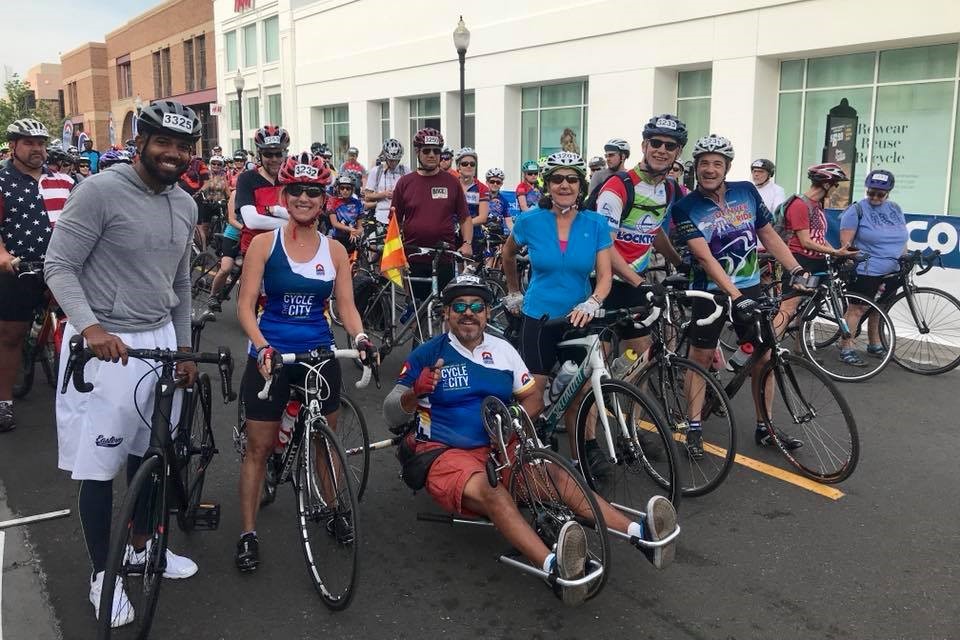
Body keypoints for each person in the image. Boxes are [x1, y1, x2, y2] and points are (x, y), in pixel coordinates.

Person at [382, 275, 678, 606]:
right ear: (446, 313)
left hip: (499, 446)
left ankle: (642, 534)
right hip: (445, 453)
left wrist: (510, 424)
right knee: (493, 493)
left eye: (476, 306)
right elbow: (391, 413)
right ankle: (557, 568)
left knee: (558, 478)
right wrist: (414, 394)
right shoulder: (427, 354)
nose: (469, 313)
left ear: (486, 312)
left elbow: (532, 400)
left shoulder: (503, 350)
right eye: (460, 306)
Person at [44, 100, 203, 626]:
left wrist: (182, 348)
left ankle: (140, 548)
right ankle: (101, 575)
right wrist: (90, 328)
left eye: (183, 147)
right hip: (106, 343)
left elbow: (180, 283)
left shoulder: (185, 203)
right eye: (163, 143)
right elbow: (59, 265)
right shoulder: (98, 191)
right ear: (140, 143)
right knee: (99, 469)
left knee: (152, 455)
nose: (173, 155)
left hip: (158, 340)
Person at [234, 152, 374, 572]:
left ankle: (332, 509)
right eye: (296, 190)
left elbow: (345, 306)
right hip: (272, 352)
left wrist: (362, 336)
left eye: (313, 192)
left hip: (318, 351)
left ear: (323, 199)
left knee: (324, 445)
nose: (304, 198)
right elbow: (244, 308)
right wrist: (262, 347)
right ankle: (247, 532)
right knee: (259, 447)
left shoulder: (333, 250)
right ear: (285, 193)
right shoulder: (264, 244)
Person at [670, 134, 809, 456]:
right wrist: (733, 295)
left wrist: (796, 269)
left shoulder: (746, 192)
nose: (709, 169)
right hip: (709, 290)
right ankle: (693, 427)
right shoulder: (685, 207)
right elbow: (703, 256)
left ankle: (766, 426)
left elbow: (768, 234)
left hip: (749, 285)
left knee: (765, 357)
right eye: (704, 163)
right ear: (696, 167)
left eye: (717, 163)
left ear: (727, 167)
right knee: (700, 357)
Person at [501, 152, 612, 457]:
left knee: (580, 390)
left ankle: (583, 454)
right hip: (539, 314)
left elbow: (605, 276)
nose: (565, 185)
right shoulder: (530, 220)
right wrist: (513, 291)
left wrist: (593, 301)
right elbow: (507, 255)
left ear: (582, 184)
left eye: (572, 179)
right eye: (557, 179)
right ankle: (528, 446)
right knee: (534, 392)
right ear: (547, 184)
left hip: (579, 317)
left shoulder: (596, 222)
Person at [593, 115, 688, 359]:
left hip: (634, 283)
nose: (661, 150)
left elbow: (652, 230)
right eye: (655, 143)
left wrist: (680, 263)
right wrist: (638, 282)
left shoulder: (667, 188)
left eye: (670, 146)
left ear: (678, 152)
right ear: (644, 146)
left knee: (640, 358)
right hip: (601, 282)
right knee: (595, 363)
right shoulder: (618, 186)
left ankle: (624, 395)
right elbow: (603, 246)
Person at [0, 119, 74, 432]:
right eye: (29, 143)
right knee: (10, 336)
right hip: (17, 267)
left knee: (80, 332)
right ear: (13, 146)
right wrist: (4, 257)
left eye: (41, 143)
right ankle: (4, 403)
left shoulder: (64, 181)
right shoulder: (2, 180)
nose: (37, 149)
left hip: (61, 267)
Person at [770, 163, 858, 359]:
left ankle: (801, 350)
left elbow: (818, 237)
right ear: (826, 184)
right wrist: (835, 252)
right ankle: (767, 352)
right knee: (789, 307)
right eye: (835, 184)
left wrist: (835, 251)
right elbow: (805, 241)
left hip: (816, 261)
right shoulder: (800, 205)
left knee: (808, 309)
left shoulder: (816, 206)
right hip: (800, 261)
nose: (835, 189)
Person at [390, 128, 471, 301]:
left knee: (444, 310)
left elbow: (465, 217)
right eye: (426, 150)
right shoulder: (405, 183)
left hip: (444, 257)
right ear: (418, 152)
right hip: (413, 257)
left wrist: (467, 243)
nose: (432, 155)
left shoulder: (452, 182)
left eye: (436, 151)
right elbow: (394, 222)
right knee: (416, 313)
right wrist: (394, 252)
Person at [838, 169, 908, 366]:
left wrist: (905, 257)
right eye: (871, 192)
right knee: (857, 309)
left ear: (888, 194)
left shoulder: (895, 208)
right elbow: (846, 244)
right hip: (866, 269)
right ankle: (846, 347)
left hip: (891, 268)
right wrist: (850, 263)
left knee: (880, 308)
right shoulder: (857, 210)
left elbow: (902, 236)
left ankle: (874, 343)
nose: (875, 197)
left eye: (880, 194)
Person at [237, 125, 290, 255]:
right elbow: (252, 221)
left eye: (279, 154)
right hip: (256, 248)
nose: (274, 159)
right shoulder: (246, 178)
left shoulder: (290, 179)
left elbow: (302, 214)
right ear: (260, 155)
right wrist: (291, 224)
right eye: (268, 154)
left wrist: (274, 211)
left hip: (287, 246)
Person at [363, 138, 408, 225]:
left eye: (396, 160)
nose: (394, 163)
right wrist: (383, 194)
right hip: (381, 217)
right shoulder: (376, 171)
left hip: (401, 217)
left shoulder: (405, 171)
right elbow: (367, 196)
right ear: (385, 157)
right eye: (391, 160)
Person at [456, 147, 490, 257]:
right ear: (458, 167)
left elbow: (483, 217)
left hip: (475, 235)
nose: (469, 166)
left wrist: (461, 226)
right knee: (457, 270)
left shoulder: (481, 188)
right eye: (465, 164)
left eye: (472, 164)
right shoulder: (452, 185)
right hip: (453, 235)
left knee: (472, 271)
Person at [326, 174, 365, 247]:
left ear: (352, 189)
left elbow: (360, 227)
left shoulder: (358, 203)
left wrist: (357, 232)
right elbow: (335, 223)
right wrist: (350, 229)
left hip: (353, 238)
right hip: (337, 238)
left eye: (348, 188)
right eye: (342, 188)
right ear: (338, 189)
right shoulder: (332, 201)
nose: (345, 190)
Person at [485, 167, 511, 234]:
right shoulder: (481, 197)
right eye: (492, 182)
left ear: (501, 184)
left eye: (498, 182)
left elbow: (508, 221)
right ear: (487, 182)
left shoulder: (504, 201)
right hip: (482, 233)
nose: (495, 184)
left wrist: (515, 234)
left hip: (498, 234)